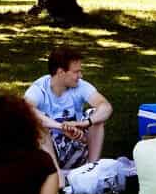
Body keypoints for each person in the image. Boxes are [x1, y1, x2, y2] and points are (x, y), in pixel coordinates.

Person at [24, 45, 113, 180]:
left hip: (75, 144)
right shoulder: (39, 88)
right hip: (47, 153)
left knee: (95, 113)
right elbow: (25, 110)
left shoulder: (80, 86)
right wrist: (61, 127)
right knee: (37, 123)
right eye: (76, 72)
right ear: (61, 72)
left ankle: (91, 169)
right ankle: (56, 175)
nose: (80, 76)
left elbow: (106, 107)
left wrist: (83, 123)